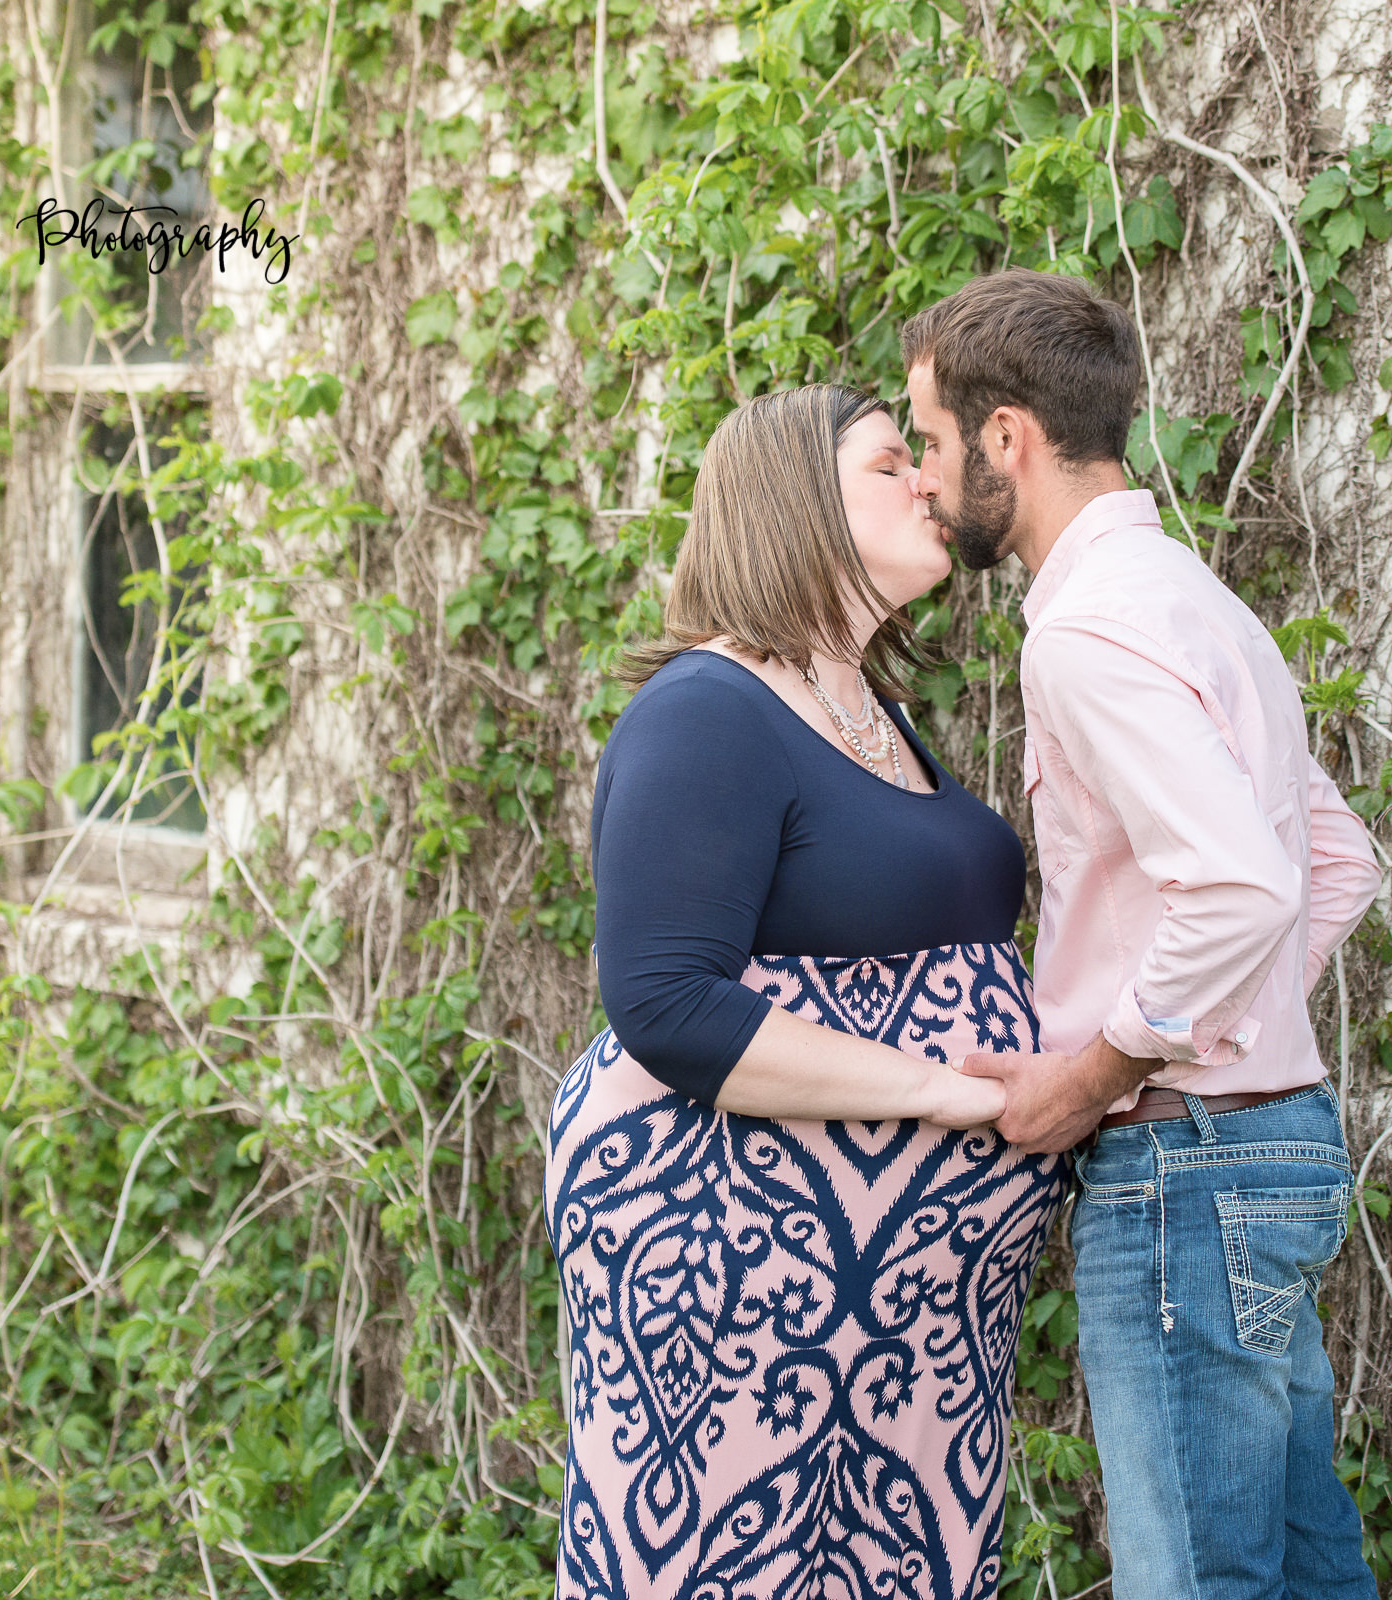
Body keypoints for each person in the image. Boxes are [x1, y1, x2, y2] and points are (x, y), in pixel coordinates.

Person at [901, 268, 1384, 1600]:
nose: (925, 481)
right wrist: (1237, 1021)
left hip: (1185, 1163)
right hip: (1266, 1141)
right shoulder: (1195, 600)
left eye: (932, 443)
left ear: (1009, 439)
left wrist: (1109, 1063)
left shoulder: (1086, 631)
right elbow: (1330, 862)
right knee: (1301, 1564)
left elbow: (1243, 888)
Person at [544, 383, 1068, 1600]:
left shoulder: (874, 713)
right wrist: (944, 1094)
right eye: (891, 463)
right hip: (735, 1286)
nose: (928, 482)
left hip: (908, 1331)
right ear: (792, 502)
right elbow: (667, 1003)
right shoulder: (707, 710)